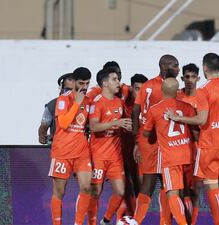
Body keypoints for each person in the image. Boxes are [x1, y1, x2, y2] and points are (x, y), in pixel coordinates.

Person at [166, 53, 219, 225]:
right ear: (218, 66)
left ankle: (218, 222)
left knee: (212, 186)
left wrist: (178, 118)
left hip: (209, 144)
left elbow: (201, 120)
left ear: (205, 68)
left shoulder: (204, 91)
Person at [131, 54, 179, 225]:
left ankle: (137, 220)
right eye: (175, 65)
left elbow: (135, 112)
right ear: (164, 66)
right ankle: (150, 221)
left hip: (146, 140)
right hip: (158, 140)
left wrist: (137, 141)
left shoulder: (147, 85)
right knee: (163, 183)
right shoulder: (165, 88)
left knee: (152, 181)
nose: (178, 69)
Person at [143, 78, 197, 225]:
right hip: (188, 154)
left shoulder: (155, 109)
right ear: (177, 90)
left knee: (172, 193)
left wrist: (156, 132)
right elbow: (195, 131)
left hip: (170, 157)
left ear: (162, 90)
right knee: (186, 194)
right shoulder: (188, 107)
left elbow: (146, 134)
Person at [87, 68, 133, 225]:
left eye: (118, 79)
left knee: (120, 192)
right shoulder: (97, 103)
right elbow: (93, 127)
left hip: (115, 156)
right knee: (96, 192)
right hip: (98, 155)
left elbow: (122, 123)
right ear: (104, 83)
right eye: (114, 79)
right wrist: (116, 123)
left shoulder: (119, 102)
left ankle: (105, 221)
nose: (118, 83)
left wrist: (126, 126)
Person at [49, 67, 92, 225]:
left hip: (82, 152)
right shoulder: (63, 99)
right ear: (74, 82)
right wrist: (77, 104)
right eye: (81, 83)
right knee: (59, 192)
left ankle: (78, 223)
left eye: (87, 83)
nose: (84, 87)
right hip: (62, 152)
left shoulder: (88, 100)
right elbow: (64, 123)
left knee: (87, 188)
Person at [116, 73, 148, 222]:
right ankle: (123, 218)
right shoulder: (123, 101)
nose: (139, 93)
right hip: (122, 151)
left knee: (139, 186)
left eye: (142, 89)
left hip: (139, 152)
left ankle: (135, 219)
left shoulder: (149, 106)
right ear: (131, 88)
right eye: (136, 89)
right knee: (124, 187)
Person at [177, 63, 201, 225]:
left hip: (197, 149)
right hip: (178, 148)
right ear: (182, 78)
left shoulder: (203, 97)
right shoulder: (177, 97)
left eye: (193, 77)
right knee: (180, 191)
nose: (190, 80)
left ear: (198, 78)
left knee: (195, 191)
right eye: (187, 77)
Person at [38, 73, 74, 144]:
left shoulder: (85, 104)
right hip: (58, 148)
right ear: (61, 90)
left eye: (75, 90)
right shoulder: (52, 105)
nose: (71, 94)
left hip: (79, 149)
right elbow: (44, 126)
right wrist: (42, 136)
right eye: (68, 90)